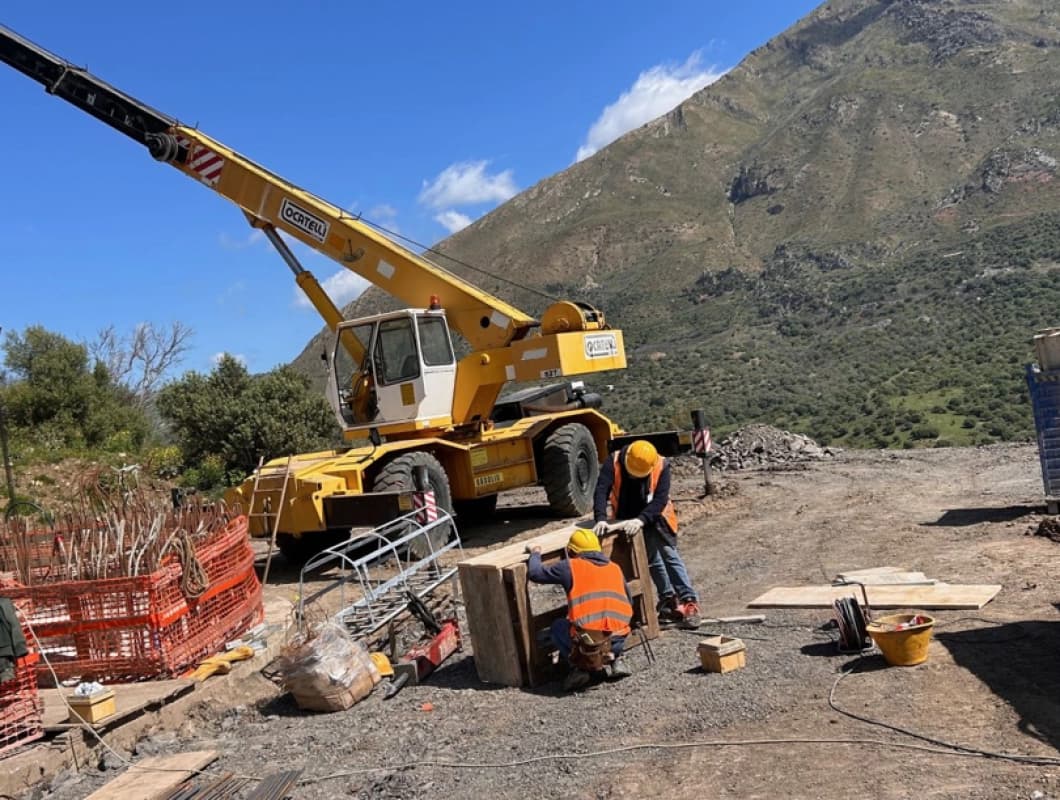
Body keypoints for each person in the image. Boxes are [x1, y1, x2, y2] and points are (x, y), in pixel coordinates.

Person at [593, 439, 701, 629]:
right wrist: (600, 518)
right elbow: (601, 490)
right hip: (626, 516)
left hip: (656, 515)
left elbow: (660, 499)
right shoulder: (614, 461)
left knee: (669, 555)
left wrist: (641, 520)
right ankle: (668, 600)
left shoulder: (661, 465)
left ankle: (689, 601)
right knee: (651, 559)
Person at [527, 528, 634, 691]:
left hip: (589, 644)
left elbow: (535, 573)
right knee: (600, 628)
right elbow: (629, 601)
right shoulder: (615, 568)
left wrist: (535, 552)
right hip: (618, 638)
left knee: (557, 627)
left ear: (571, 551)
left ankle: (581, 667)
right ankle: (614, 659)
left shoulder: (569, 567)